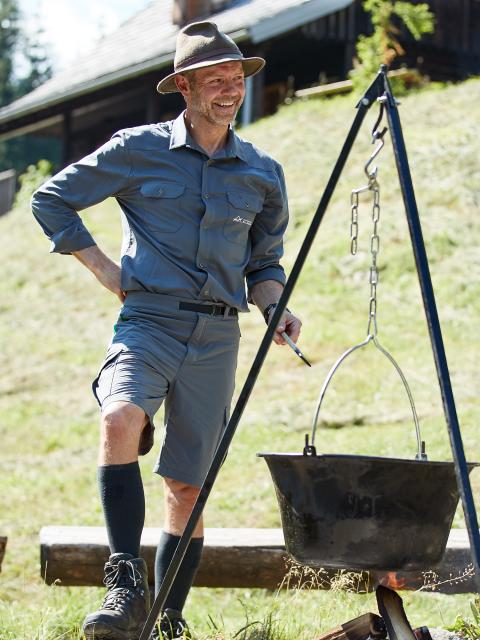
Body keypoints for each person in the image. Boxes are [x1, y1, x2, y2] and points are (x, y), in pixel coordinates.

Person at [32, 20, 302, 640]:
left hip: (216, 337)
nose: (230, 90)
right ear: (184, 85)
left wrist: (274, 305)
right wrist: (103, 268)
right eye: (216, 80)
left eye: (236, 78)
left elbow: (264, 262)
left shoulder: (261, 172)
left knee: (188, 484)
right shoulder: (137, 149)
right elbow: (51, 198)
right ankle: (124, 585)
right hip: (148, 321)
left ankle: (169, 619)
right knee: (119, 419)